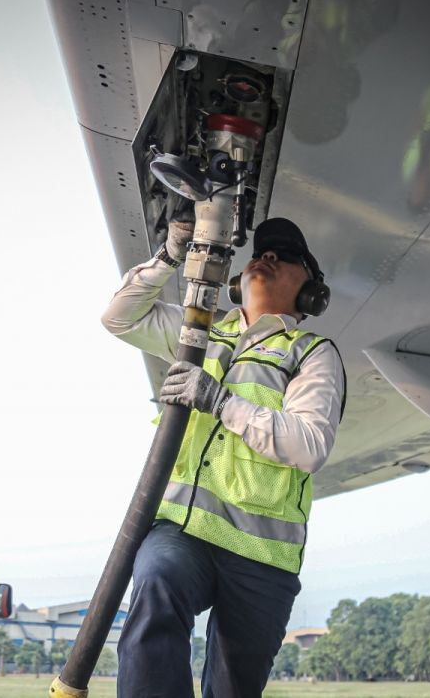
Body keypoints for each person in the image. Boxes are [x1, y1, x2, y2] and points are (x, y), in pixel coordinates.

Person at [101, 217, 346, 697]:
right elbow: (119, 318)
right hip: (183, 532)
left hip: (261, 555)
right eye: (262, 251)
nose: (266, 256)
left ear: (311, 292)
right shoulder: (200, 331)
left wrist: (221, 402)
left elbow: (309, 445)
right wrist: (169, 255)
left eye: (285, 256)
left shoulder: (310, 353)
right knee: (156, 577)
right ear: (235, 282)